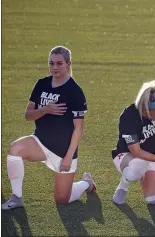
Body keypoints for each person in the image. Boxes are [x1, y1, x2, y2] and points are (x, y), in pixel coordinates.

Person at [2, 46, 95, 210]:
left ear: (68, 64)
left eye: (59, 63)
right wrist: (45, 110)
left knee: (62, 199)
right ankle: (17, 198)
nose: (55, 67)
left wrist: (67, 157)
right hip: (40, 142)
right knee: (15, 149)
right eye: (51, 63)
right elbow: (28, 115)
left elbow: (78, 129)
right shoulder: (42, 84)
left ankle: (86, 183)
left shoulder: (75, 91)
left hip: (63, 151)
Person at [111, 80, 155, 205]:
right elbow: (136, 151)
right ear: (146, 110)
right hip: (127, 156)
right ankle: (123, 187)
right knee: (133, 172)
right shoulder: (129, 115)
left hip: (152, 158)